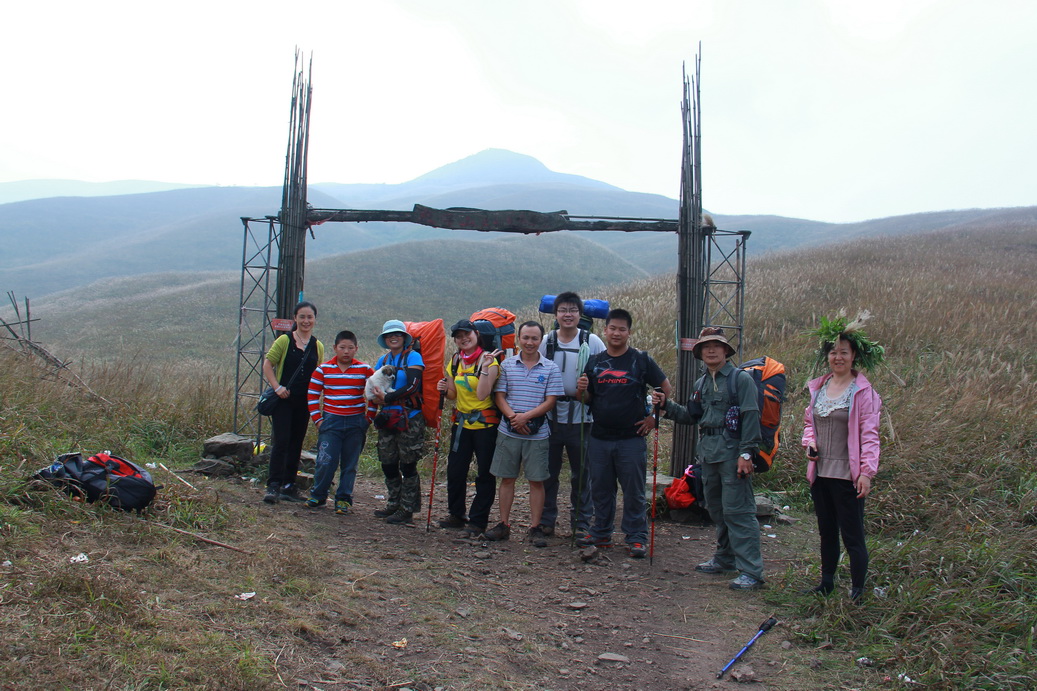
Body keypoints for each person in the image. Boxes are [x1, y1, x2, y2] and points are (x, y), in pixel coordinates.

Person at [653, 326, 763, 589]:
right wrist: (666, 406)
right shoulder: (700, 384)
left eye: (716, 346)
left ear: (726, 350)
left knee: (739, 511)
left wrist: (746, 454)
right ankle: (724, 558)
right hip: (709, 454)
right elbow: (692, 416)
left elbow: (750, 416)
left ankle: (752, 571)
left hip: (733, 454)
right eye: (705, 347)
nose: (711, 350)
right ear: (700, 353)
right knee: (716, 508)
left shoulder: (740, 380)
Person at [576, 309, 671, 559]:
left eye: (622, 329)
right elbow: (586, 399)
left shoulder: (641, 359)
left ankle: (636, 537)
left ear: (629, 332)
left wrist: (654, 418)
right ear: (604, 330)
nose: (616, 333)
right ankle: (601, 533)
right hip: (599, 436)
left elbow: (665, 387)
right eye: (612, 328)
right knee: (601, 488)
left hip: (631, 438)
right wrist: (581, 390)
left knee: (634, 490)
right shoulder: (594, 361)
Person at [802, 316, 884, 601]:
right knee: (827, 532)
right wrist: (809, 442)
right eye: (833, 352)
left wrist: (866, 473)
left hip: (847, 476)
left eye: (844, 352)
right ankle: (826, 583)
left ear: (854, 357)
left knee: (852, 536)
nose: (838, 357)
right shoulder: (818, 388)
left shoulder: (863, 393)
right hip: (821, 473)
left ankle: (858, 590)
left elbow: (870, 435)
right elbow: (809, 424)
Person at [483, 321, 563, 547]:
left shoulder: (550, 368)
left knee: (536, 481)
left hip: (537, 435)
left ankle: (535, 527)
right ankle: (503, 524)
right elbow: (500, 396)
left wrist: (525, 417)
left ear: (541, 340)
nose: (529, 342)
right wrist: (513, 418)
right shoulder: (507, 365)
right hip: (508, 431)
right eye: (525, 337)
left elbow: (551, 401)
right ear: (518, 339)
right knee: (507, 478)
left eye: (534, 338)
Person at [537, 292, 605, 537]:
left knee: (582, 474)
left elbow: (604, 375)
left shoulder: (592, 341)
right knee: (548, 473)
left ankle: (581, 522)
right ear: (556, 315)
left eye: (573, 310)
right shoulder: (547, 341)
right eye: (563, 310)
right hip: (551, 417)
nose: (568, 315)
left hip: (583, 418)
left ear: (580, 314)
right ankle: (547, 520)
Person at [436, 320, 503, 537]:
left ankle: (478, 522)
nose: (463, 339)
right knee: (456, 471)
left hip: (485, 426)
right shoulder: (455, 361)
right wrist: (444, 389)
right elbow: (453, 395)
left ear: (476, 334)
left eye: (467, 334)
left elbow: (483, 394)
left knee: (484, 474)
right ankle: (456, 515)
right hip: (461, 424)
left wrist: (484, 369)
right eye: (458, 336)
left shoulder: (490, 362)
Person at [261, 301, 324, 504]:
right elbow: (268, 363)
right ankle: (273, 485)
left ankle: (289, 485)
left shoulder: (317, 345)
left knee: (296, 442)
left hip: (305, 401)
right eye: (302, 317)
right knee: (281, 442)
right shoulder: (284, 341)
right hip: (284, 400)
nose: (306, 321)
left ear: (314, 319)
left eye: (310, 317)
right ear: (295, 318)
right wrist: (277, 387)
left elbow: (319, 372)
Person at [305, 331, 375, 515]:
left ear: (356, 349)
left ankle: (343, 499)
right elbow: (312, 395)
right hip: (331, 422)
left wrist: (369, 418)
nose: (346, 351)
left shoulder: (365, 369)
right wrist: (318, 421)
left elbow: (374, 394)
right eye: (342, 348)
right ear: (335, 348)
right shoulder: (323, 369)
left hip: (355, 422)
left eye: (350, 348)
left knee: (350, 463)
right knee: (326, 460)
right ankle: (318, 495)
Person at [368, 320, 426, 525]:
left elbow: (413, 385)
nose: (393, 338)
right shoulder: (383, 360)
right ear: (385, 339)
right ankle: (394, 502)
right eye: (389, 335)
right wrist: (378, 401)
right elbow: (373, 385)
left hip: (410, 418)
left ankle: (407, 508)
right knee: (388, 462)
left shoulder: (413, 357)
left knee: (408, 464)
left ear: (404, 338)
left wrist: (387, 399)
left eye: (398, 335)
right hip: (388, 418)